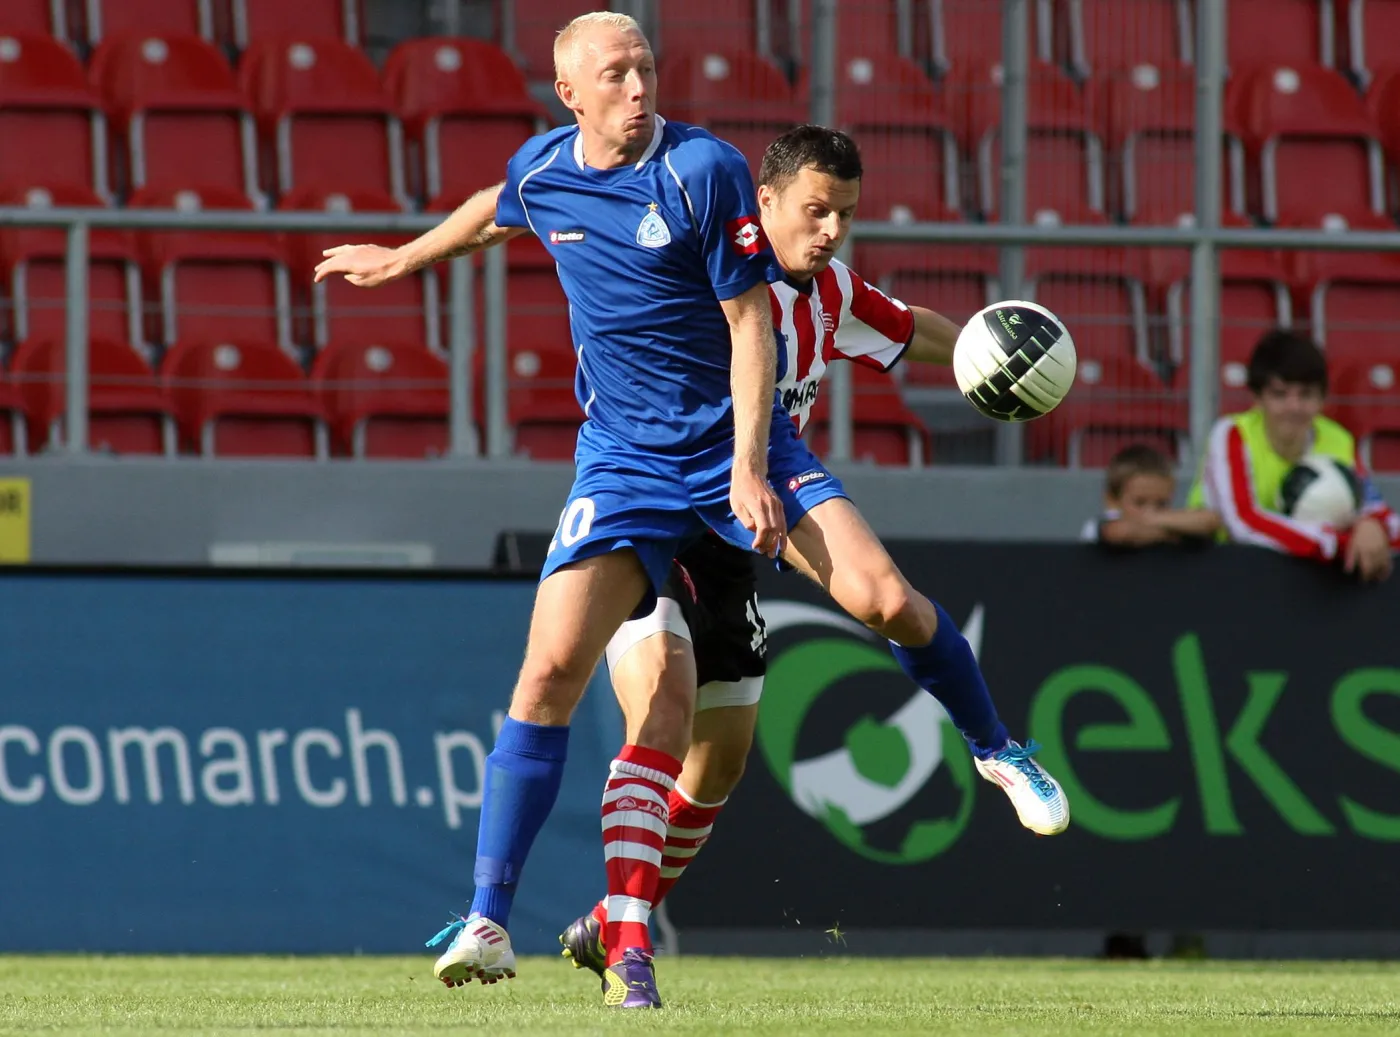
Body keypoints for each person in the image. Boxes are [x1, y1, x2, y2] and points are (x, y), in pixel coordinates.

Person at [317, 17, 1056, 1010]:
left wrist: (750, 464)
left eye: (646, 68)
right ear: (569, 92)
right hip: (625, 464)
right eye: (615, 73)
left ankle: (997, 748)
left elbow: (751, 326)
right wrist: (403, 259)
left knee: (880, 603)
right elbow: (500, 206)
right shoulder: (549, 169)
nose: (637, 87)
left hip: (737, 454)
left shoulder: (701, 170)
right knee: (551, 672)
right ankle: (495, 919)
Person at [557, 126, 1072, 979]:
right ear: (763, 202)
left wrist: (992, 352)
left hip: (756, 502)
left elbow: (910, 328)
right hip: (658, 499)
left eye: (846, 215)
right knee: (663, 710)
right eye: (816, 210)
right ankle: (630, 938)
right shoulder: (705, 274)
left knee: (869, 620)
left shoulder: (832, 291)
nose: (831, 230)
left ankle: (997, 749)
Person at [1188, 330, 1399, 581]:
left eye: (1306, 394)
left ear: (1322, 399)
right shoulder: (1232, 434)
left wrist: (1373, 525)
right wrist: (1337, 544)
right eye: (1280, 394)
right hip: (1225, 574)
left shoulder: (1338, 439)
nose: (1294, 407)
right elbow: (1242, 522)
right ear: (1257, 398)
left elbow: (1378, 511)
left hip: (1310, 582)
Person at [1080, 444, 1220, 547]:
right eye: (1140, 502)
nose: (1151, 511)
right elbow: (1119, 534)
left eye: (1161, 504)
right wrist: (1178, 533)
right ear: (1112, 500)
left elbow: (1211, 520)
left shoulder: (1162, 524)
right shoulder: (1094, 527)